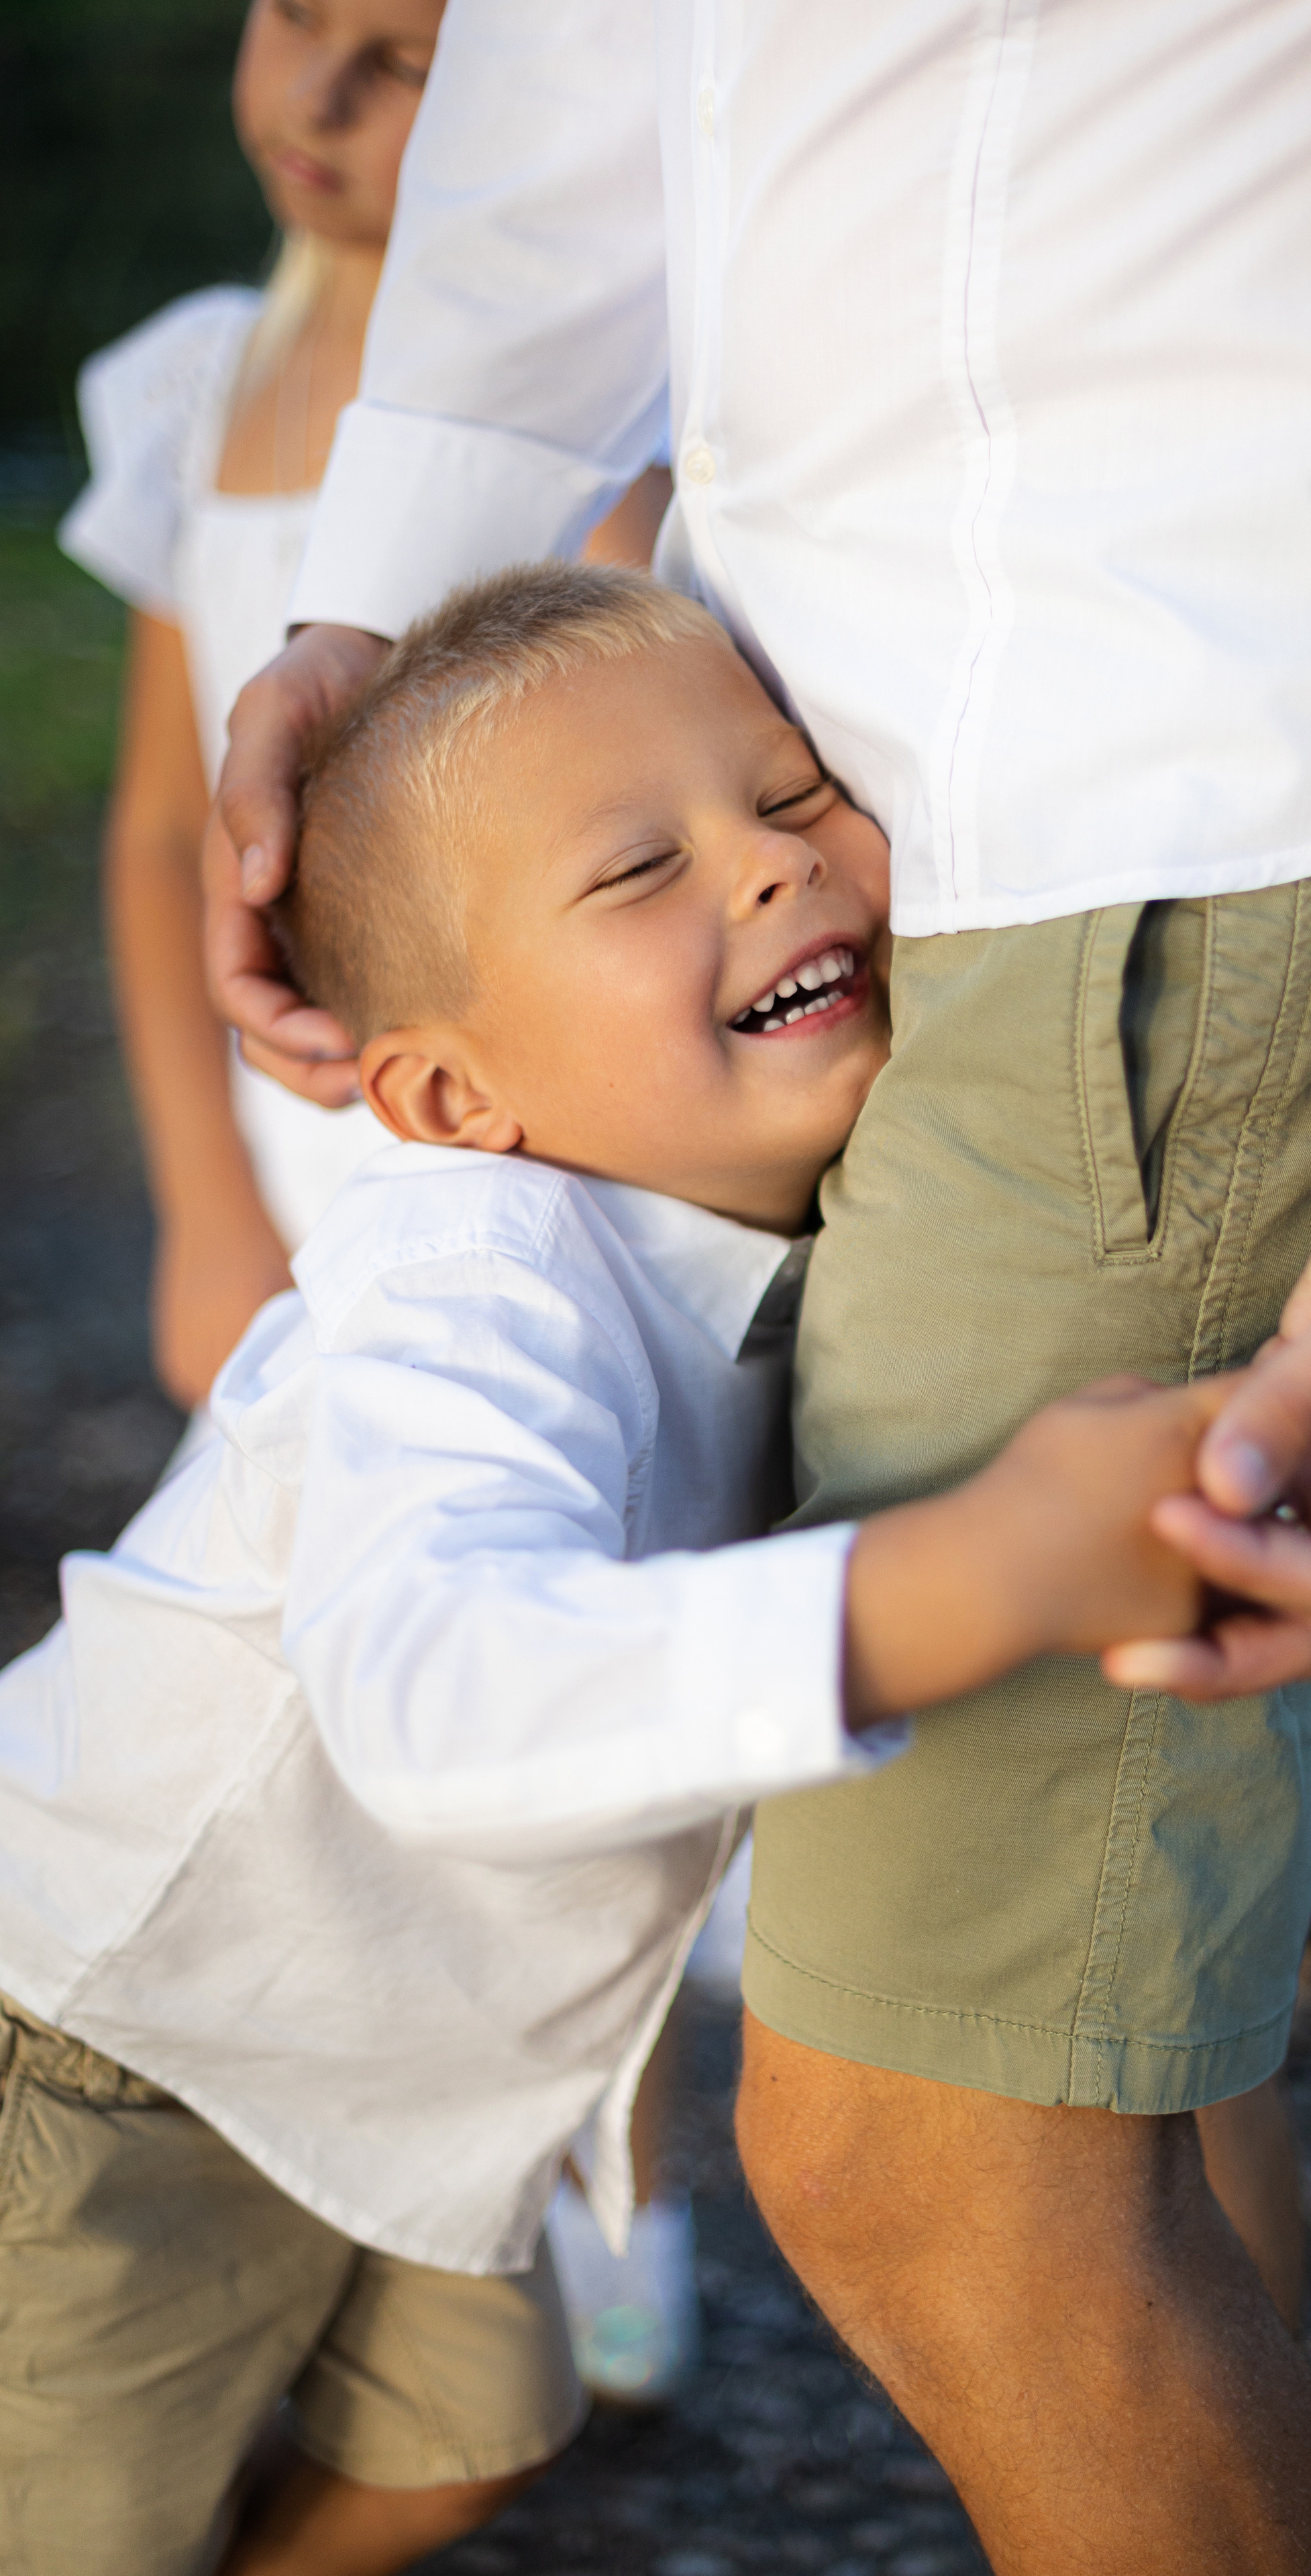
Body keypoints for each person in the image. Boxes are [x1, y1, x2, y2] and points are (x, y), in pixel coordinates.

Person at [207, 13, 1311, 2571]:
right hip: (813, 710)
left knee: (946, 2152)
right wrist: (388, 589)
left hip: (1165, 820)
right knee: (1067, 2105)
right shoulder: (529, 1166)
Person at [0, 563, 1229, 2576]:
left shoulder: (814, 1234)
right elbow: (440, 1687)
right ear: (453, 1096)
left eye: (794, 793)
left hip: (395, 2072)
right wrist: (968, 1578)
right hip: (115, 2029)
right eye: (641, 866)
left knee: (468, 2444)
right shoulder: (465, 1277)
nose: (769, 868)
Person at [55, 0, 681, 2400]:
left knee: (559, 1647)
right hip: (306, 1155)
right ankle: (312, 2190)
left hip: (527, 1147)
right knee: (316, 1665)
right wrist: (207, 1205)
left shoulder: (607, 404)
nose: (321, 100)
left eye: (408, 56)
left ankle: (601, 2175)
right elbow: (152, 832)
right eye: (292, 23)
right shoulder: (192, 384)